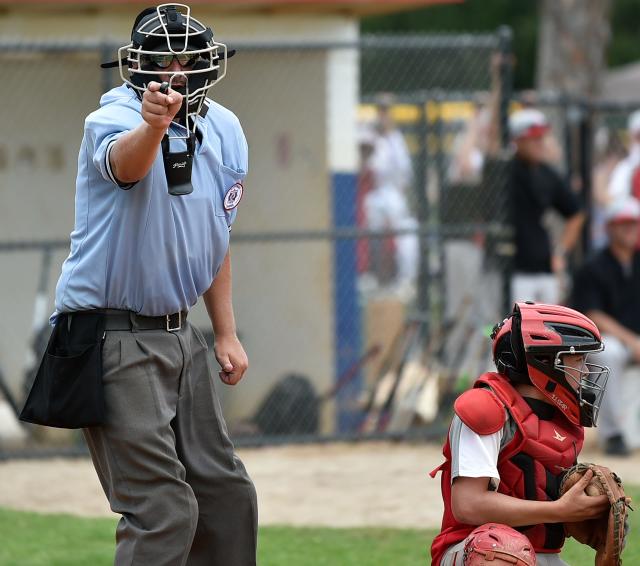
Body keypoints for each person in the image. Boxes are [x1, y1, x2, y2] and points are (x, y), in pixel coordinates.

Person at [51, 5, 256, 565]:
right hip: (113, 333)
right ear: (135, 67)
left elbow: (215, 235)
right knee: (163, 509)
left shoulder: (227, 127)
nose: (177, 71)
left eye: (188, 58)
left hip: (180, 333)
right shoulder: (115, 117)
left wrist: (225, 333)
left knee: (227, 495)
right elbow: (126, 165)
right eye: (164, 59)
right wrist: (154, 125)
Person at [430, 301, 611, 566]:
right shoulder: (485, 407)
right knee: (498, 551)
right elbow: (468, 504)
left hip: (537, 557)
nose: (584, 370)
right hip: (472, 550)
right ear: (546, 362)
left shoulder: (563, 421)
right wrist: (559, 510)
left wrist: (587, 512)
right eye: (578, 359)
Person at [571, 196, 640, 456]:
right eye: (623, 225)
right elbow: (592, 315)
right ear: (609, 228)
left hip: (635, 340)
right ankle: (613, 435)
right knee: (610, 352)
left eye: (633, 224)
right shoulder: (592, 267)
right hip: (606, 340)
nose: (630, 230)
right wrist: (631, 342)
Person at [506, 109, 585, 305]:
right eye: (533, 138)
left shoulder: (547, 174)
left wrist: (560, 252)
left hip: (543, 266)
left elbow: (576, 213)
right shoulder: (505, 171)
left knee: (548, 328)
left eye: (541, 138)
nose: (540, 144)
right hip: (511, 269)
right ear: (517, 140)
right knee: (514, 329)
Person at [363, 93, 418, 296]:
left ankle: (405, 279)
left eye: (386, 111)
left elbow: (405, 173)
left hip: (394, 192)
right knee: (371, 220)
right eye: (380, 110)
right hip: (376, 192)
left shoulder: (396, 138)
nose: (383, 115)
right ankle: (372, 274)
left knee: (407, 231)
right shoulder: (369, 134)